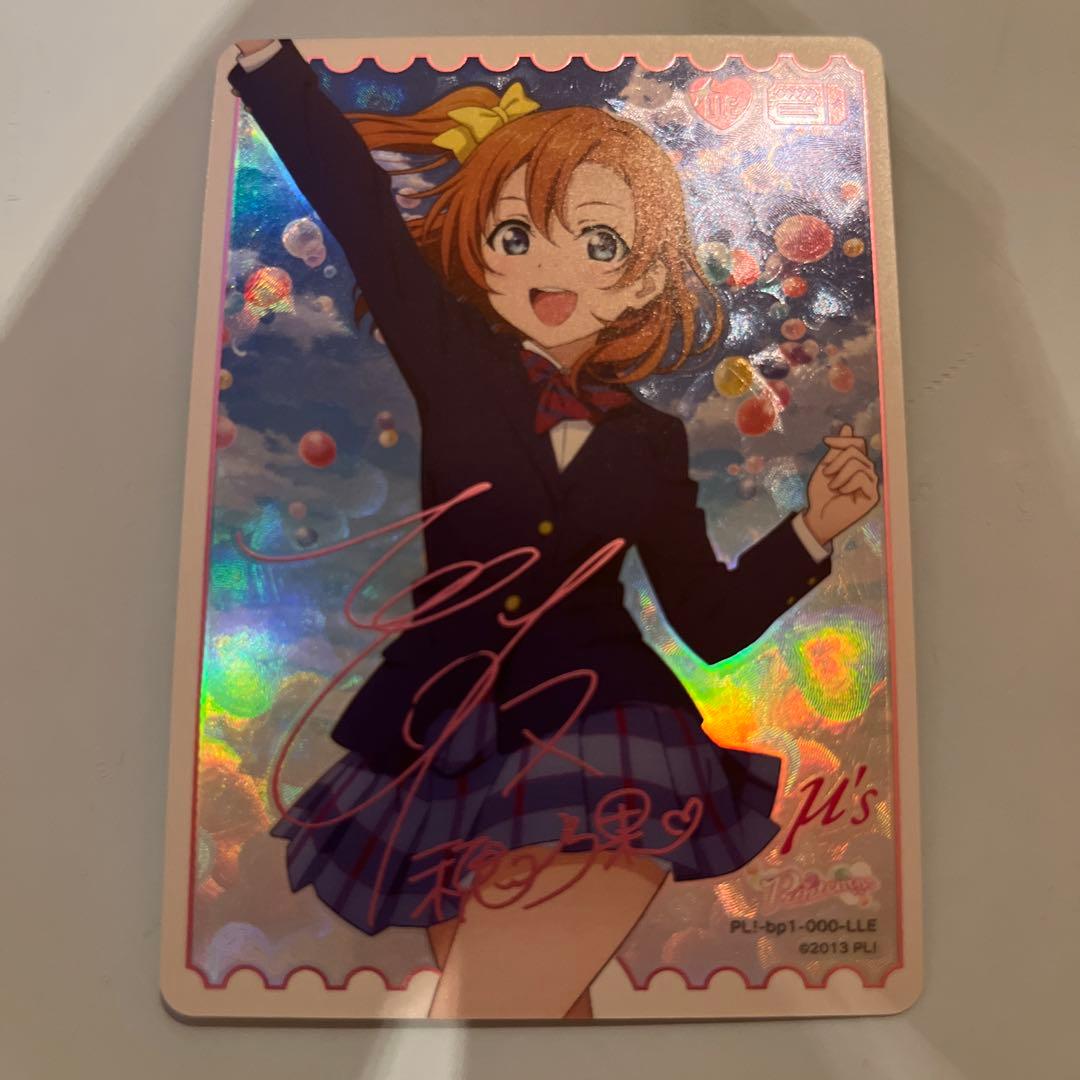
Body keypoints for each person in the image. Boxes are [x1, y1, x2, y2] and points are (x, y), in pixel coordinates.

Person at [227, 39, 881, 1018]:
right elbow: (360, 210)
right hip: (440, 740)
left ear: (647, 279)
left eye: (602, 243)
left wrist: (814, 530)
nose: (554, 266)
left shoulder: (651, 441)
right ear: (478, 252)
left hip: (608, 728)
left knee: (497, 1007)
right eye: (517, 233)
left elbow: (705, 619)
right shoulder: (455, 362)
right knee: (533, 1022)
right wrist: (271, 69)